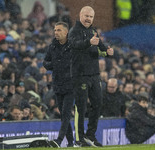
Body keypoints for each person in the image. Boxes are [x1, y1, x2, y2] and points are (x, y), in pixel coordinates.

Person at [68, 6, 114, 147]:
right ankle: (79, 139)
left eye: (91, 17)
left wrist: (107, 52)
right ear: (80, 15)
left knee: (98, 104)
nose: (88, 19)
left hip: (94, 75)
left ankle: (90, 135)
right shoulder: (73, 31)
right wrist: (89, 42)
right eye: (86, 16)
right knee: (80, 107)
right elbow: (74, 45)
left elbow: (100, 47)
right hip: (80, 75)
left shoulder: (93, 31)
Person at [43, 22, 74, 147]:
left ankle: (59, 140)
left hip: (71, 85)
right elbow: (46, 61)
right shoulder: (52, 47)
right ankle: (71, 143)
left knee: (66, 113)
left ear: (66, 32)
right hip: (58, 84)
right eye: (55, 30)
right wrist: (52, 66)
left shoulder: (73, 46)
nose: (56, 32)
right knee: (63, 115)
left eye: (59, 30)